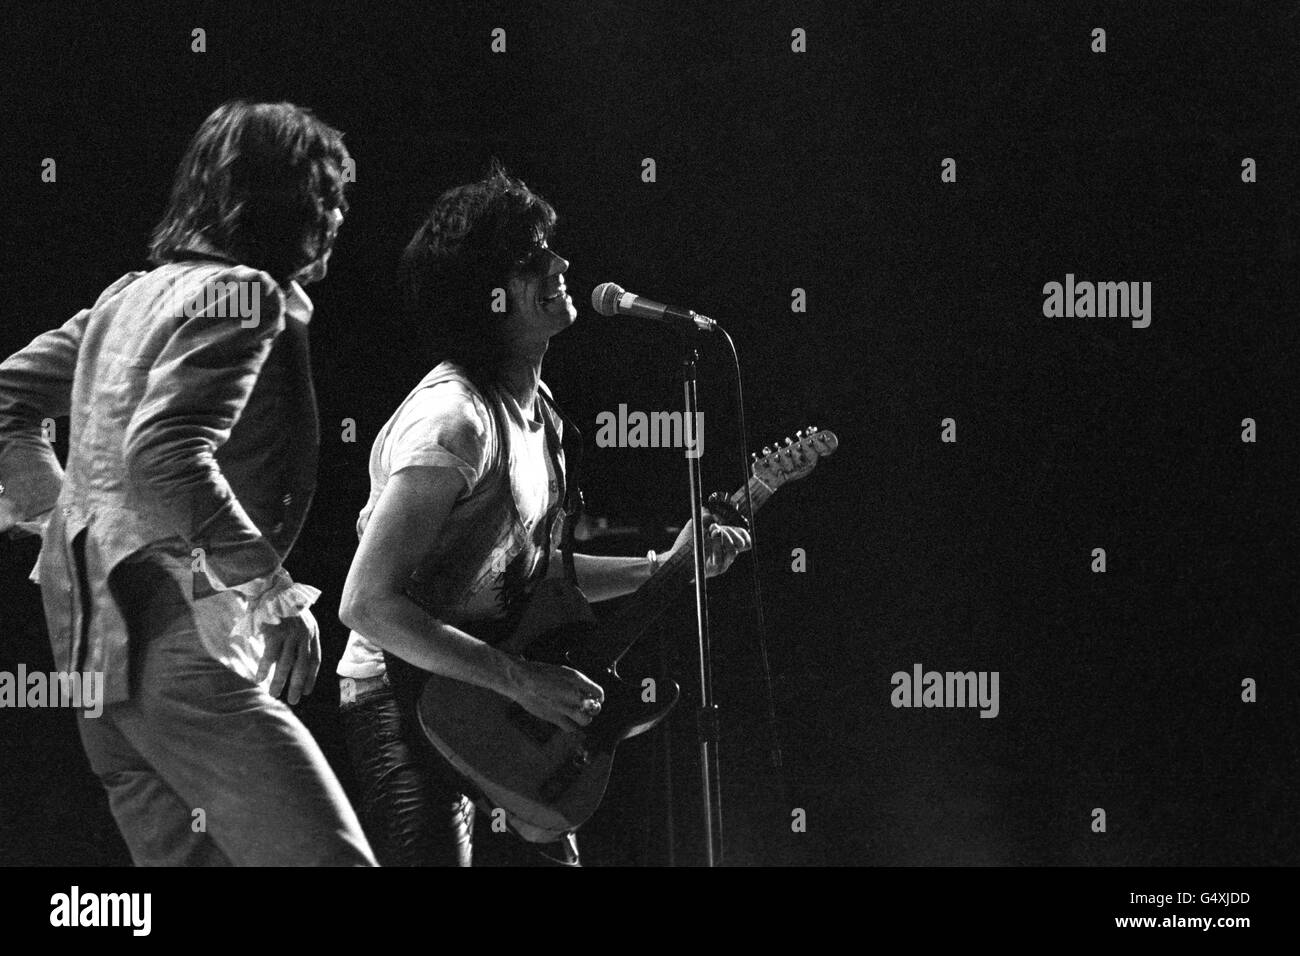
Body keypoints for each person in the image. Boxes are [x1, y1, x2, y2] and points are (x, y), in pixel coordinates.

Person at [336, 163, 750, 866]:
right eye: (533, 260)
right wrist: (519, 679)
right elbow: (367, 603)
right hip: (401, 698)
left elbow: (534, 580)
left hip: (493, 696)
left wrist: (668, 566)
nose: (561, 263)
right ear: (487, 299)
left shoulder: (544, 417)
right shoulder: (453, 424)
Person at [0, 100, 377, 866]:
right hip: (181, 655)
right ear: (280, 202)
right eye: (325, 193)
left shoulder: (126, 298)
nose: (339, 214)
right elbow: (165, 452)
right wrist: (267, 586)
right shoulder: (243, 294)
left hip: (101, 674)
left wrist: (71, 524)